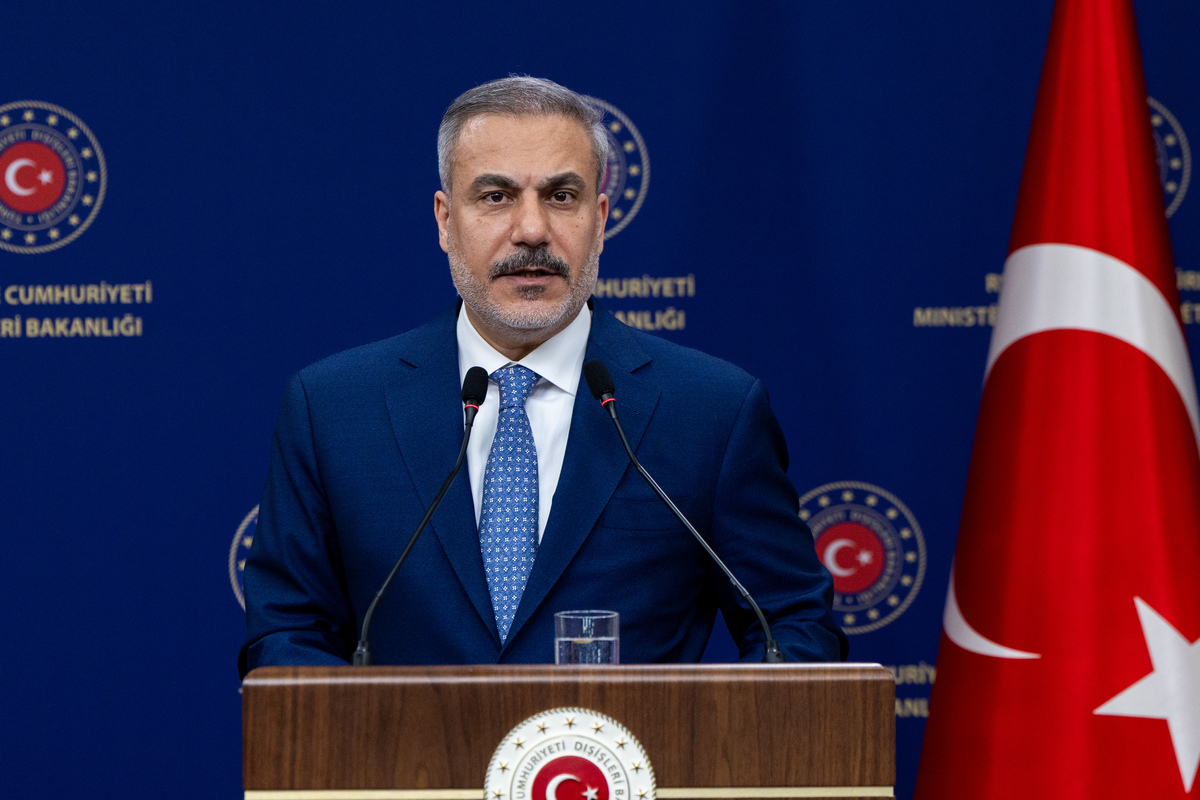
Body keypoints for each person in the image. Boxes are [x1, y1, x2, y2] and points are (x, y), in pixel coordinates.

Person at [239, 77, 845, 675]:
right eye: (496, 196)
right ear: (445, 220)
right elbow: (288, 635)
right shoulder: (335, 409)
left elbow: (793, 629)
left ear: (600, 218)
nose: (531, 231)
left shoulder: (711, 411)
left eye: (560, 196)